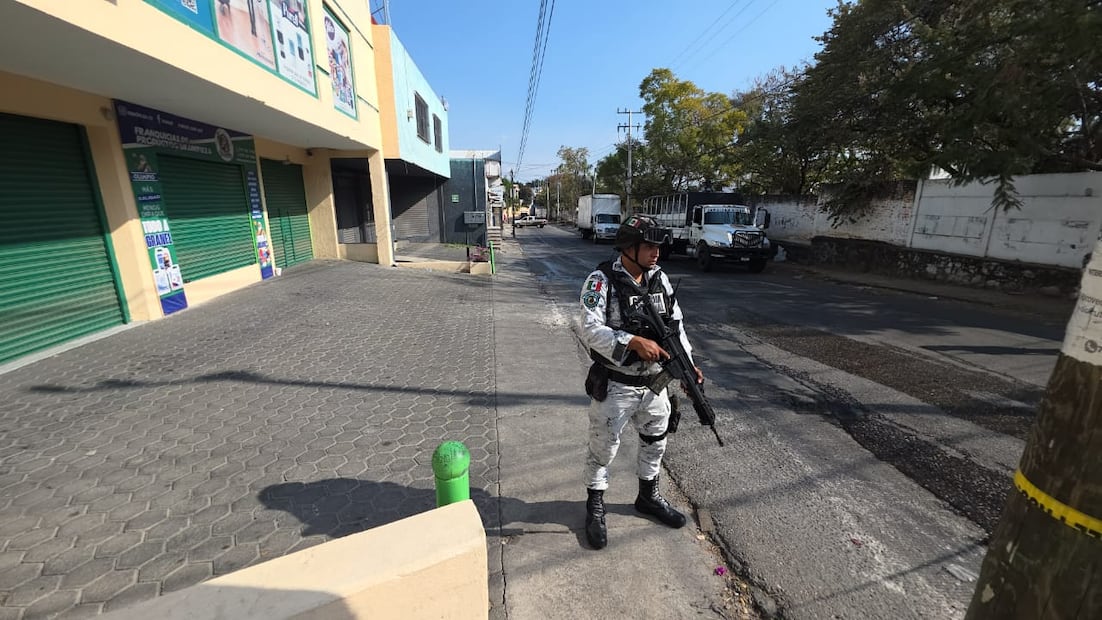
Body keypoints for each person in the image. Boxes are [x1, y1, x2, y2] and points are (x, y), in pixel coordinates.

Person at [577, 214, 704, 549]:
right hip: (617, 383)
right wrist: (631, 341)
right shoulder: (600, 280)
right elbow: (589, 329)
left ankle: (648, 496)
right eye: (649, 246)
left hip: (655, 384)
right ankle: (595, 504)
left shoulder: (658, 279)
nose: (656, 253)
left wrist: (688, 367)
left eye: (658, 246)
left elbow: (677, 327)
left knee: (656, 440)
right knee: (603, 447)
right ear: (628, 247)